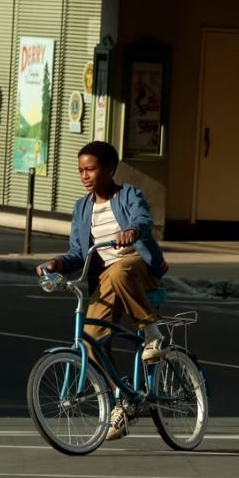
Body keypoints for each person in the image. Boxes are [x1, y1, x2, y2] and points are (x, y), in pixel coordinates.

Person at [37, 141, 170, 441]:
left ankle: (152, 333)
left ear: (110, 169)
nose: (85, 176)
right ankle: (121, 402)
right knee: (90, 341)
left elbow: (142, 220)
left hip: (137, 267)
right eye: (81, 170)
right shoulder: (81, 208)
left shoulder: (129, 194)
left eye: (91, 169)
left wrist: (131, 231)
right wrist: (57, 263)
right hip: (107, 280)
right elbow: (77, 252)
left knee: (120, 269)